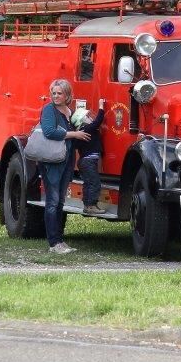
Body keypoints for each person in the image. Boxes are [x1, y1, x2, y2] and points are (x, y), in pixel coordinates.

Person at [38, 79, 89, 254]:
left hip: (67, 160)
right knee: (52, 201)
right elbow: (49, 131)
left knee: (60, 201)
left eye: (59, 93)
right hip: (52, 162)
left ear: (67, 95)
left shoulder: (69, 111)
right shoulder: (48, 110)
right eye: (54, 93)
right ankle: (53, 243)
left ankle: (60, 240)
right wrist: (74, 133)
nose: (56, 96)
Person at [72, 99, 107, 216]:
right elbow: (98, 121)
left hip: (83, 161)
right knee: (94, 183)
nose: (89, 117)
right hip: (89, 161)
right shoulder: (87, 129)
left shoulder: (79, 133)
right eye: (87, 116)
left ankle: (87, 205)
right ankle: (91, 205)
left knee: (87, 183)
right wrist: (101, 107)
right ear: (82, 121)